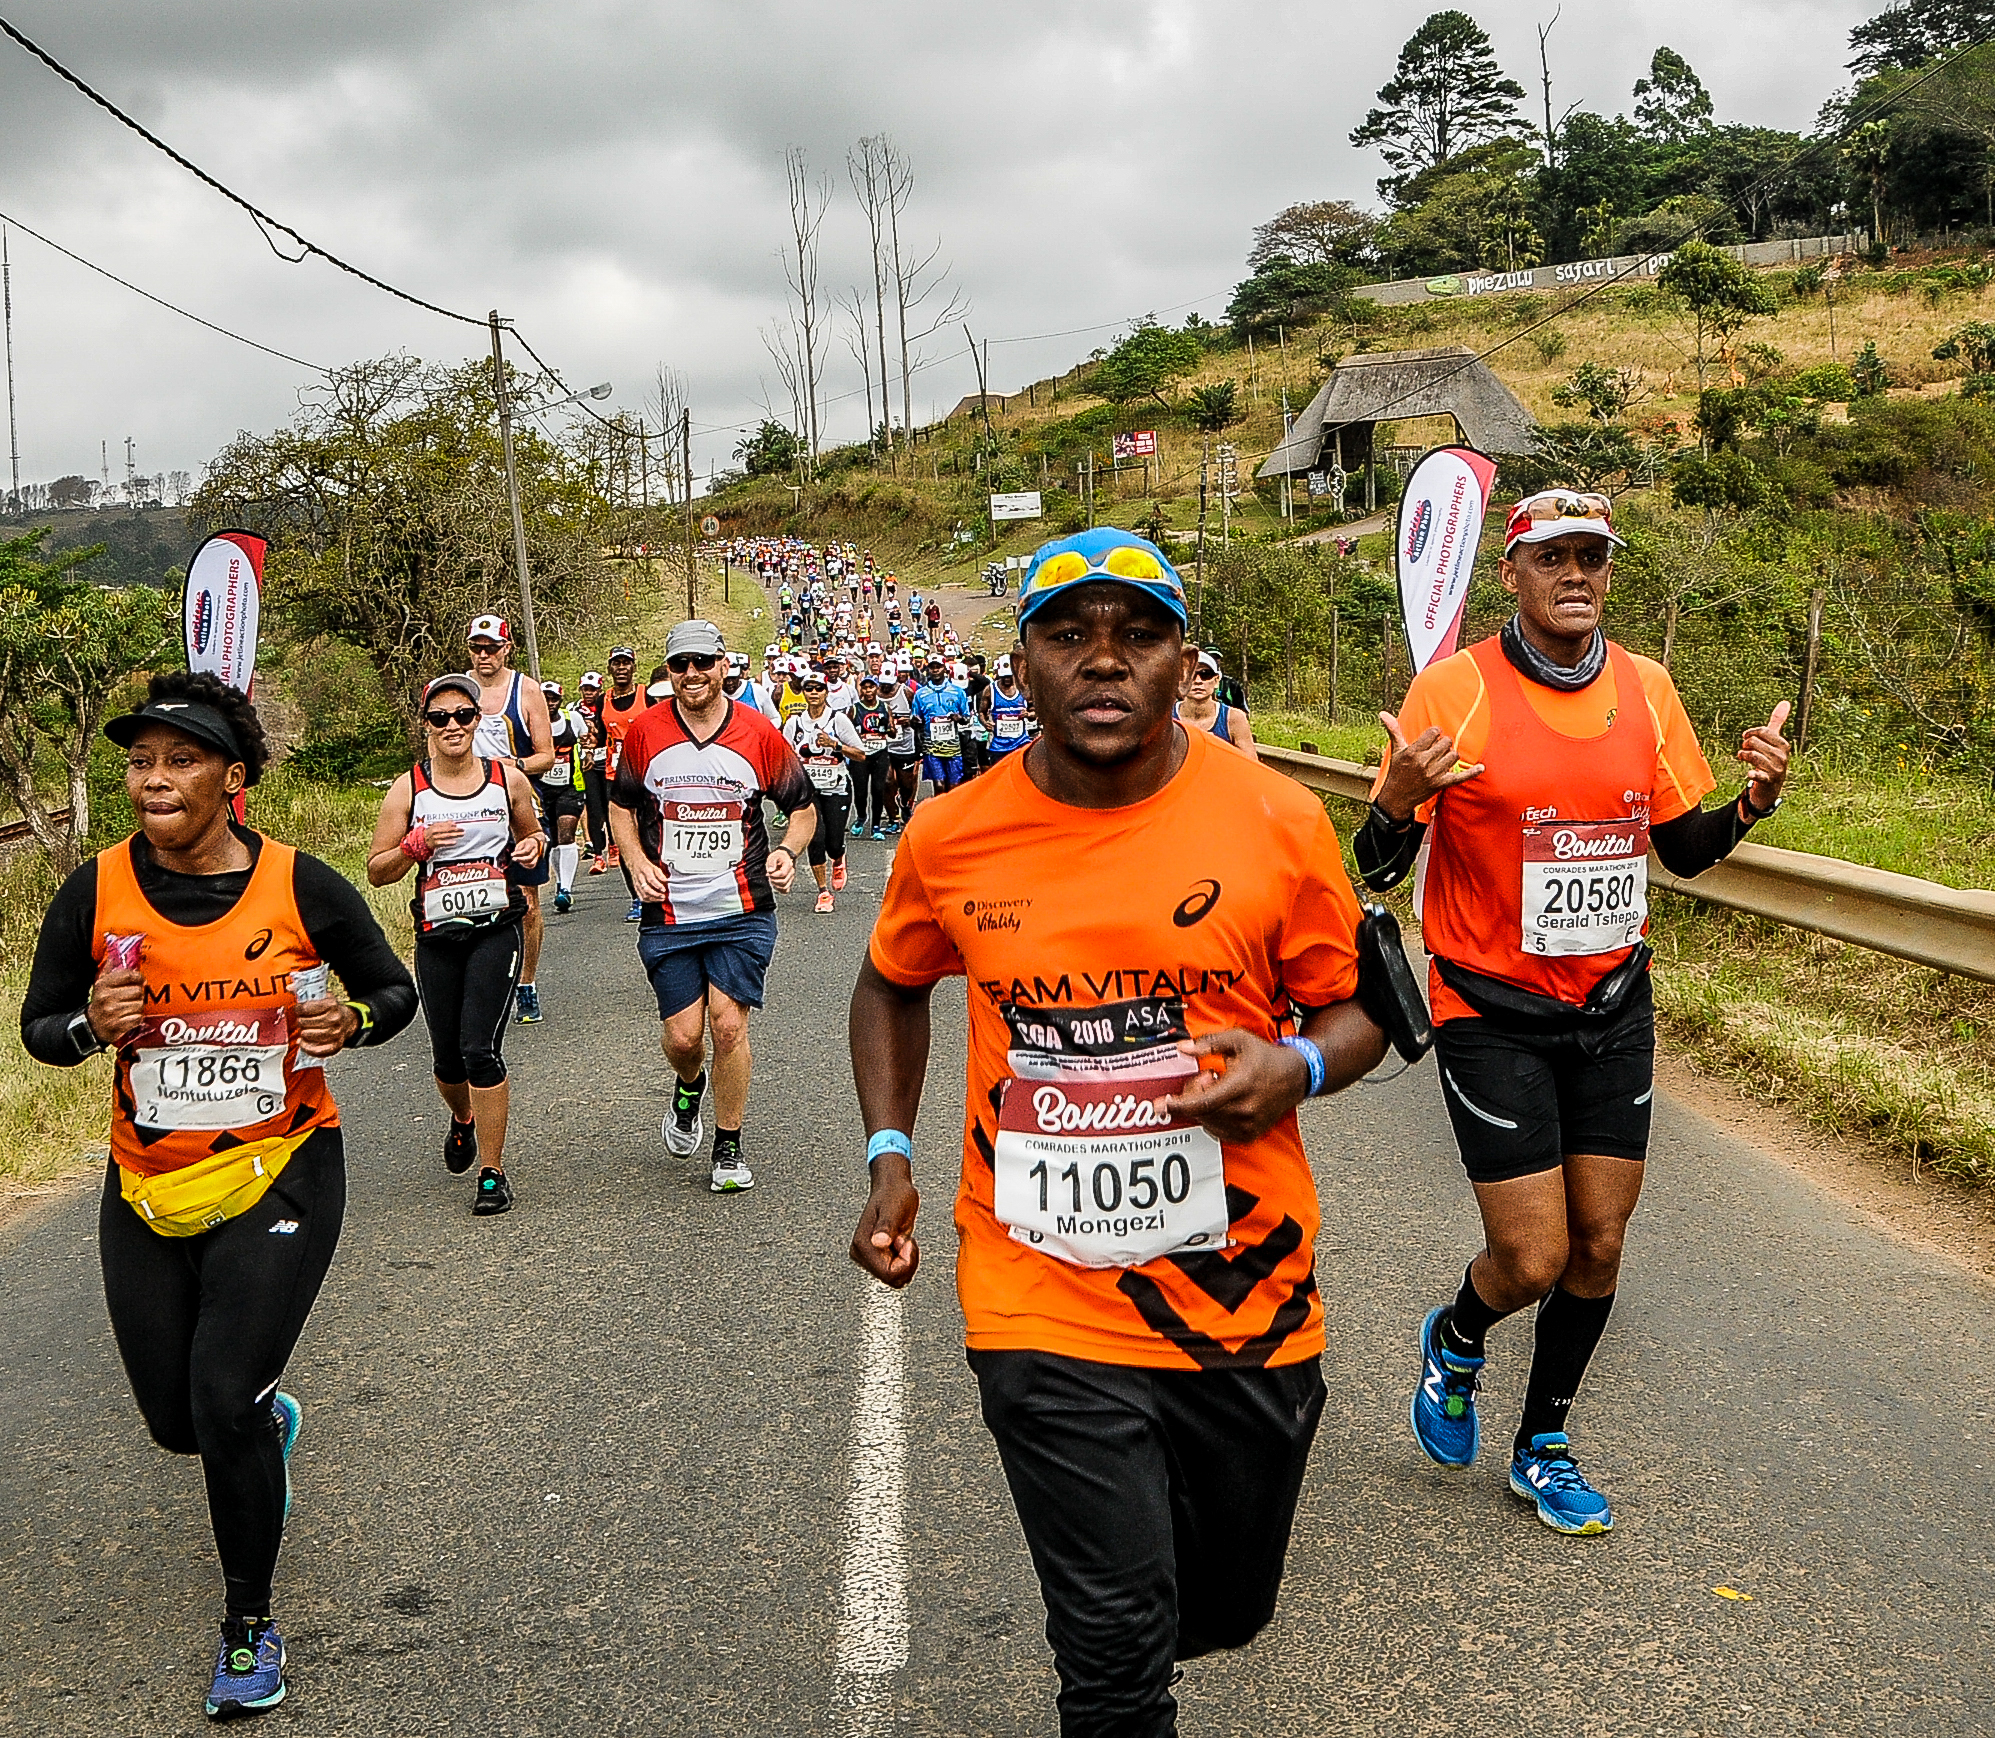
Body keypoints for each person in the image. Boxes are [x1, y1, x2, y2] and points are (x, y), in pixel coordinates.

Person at [848, 528, 1386, 1738]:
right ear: (1021, 667)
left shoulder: (1277, 820)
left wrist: (1293, 1065)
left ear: (1183, 661)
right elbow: (890, 981)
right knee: (1114, 1654)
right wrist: (891, 1154)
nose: (1104, 661)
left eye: (1138, 635)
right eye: (1068, 635)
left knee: (1223, 1609)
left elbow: (1357, 1013)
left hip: (1241, 1292)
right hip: (1037, 1288)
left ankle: (1169, 1607)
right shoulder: (950, 836)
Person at [1354, 488, 1793, 1536]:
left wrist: (1754, 802)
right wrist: (1399, 800)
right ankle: (1459, 1335)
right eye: (1553, 556)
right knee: (1533, 1257)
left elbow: (1681, 850)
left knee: (1600, 1241)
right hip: (1488, 1006)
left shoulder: (1647, 688)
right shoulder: (1454, 691)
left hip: (1611, 1001)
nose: (1577, 574)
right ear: (1511, 574)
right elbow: (1371, 868)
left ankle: (1542, 1443)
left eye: (1593, 555)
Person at [20, 671, 416, 1721]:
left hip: (281, 1166)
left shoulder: (300, 885)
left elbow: (392, 991)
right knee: (173, 1421)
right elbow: (40, 1029)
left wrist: (354, 1027)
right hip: (147, 1180)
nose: (153, 779)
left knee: (219, 1392)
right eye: (140, 761)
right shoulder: (96, 889)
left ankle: (249, 1627)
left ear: (231, 777)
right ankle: (260, 1421)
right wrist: (90, 1028)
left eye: (179, 759)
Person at [609, 620, 816, 1192]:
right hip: (670, 911)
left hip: (742, 907)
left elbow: (802, 808)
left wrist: (788, 850)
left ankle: (728, 1145)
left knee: (727, 1026)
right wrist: (635, 861)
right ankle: (688, 1088)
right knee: (683, 1038)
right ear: (669, 672)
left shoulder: (757, 732)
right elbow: (621, 807)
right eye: (680, 665)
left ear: (724, 666)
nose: (692, 674)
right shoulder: (646, 732)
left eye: (704, 662)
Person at [369, 673, 547, 1218]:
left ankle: (492, 1172)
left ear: (478, 722)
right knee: (447, 1060)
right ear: (425, 725)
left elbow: (533, 839)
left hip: (497, 928)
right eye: (440, 717)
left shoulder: (506, 780)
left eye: (463, 716)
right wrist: (414, 845)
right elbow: (377, 871)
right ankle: (463, 1118)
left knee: (480, 1049)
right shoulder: (410, 789)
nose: (453, 726)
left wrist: (534, 844)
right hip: (437, 935)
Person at [463, 616, 555, 1021]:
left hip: (516, 803)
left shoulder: (526, 691)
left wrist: (510, 764)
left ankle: (526, 984)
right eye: (476, 648)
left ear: (506, 648)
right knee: (473, 898)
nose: (484, 656)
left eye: (491, 647)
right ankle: (479, 981)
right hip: (466, 806)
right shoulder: (455, 689)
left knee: (528, 903)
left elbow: (546, 756)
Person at [783, 671, 869, 912]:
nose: (813, 693)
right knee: (815, 839)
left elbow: (861, 754)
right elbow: (784, 756)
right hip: (807, 793)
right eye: (809, 688)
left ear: (826, 692)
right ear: (803, 692)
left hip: (836, 787)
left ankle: (839, 858)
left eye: (818, 689)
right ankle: (823, 892)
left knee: (833, 841)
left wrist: (835, 745)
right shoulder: (795, 723)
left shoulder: (838, 720)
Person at [597, 645, 652, 916]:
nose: (621, 668)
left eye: (625, 663)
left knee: (650, 835)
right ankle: (637, 897)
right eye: (616, 663)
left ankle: (660, 887)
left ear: (633, 667)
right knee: (623, 838)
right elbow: (596, 736)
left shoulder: (646, 696)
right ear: (610, 668)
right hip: (613, 777)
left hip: (644, 776)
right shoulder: (602, 701)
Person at [538, 680, 588, 913]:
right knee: (553, 840)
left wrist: (587, 753)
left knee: (566, 832)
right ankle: (560, 882)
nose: (549, 703)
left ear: (560, 700)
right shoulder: (533, 723)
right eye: (545, 698)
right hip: (541, 788)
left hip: (570, 786)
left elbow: (589, 738)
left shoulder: (572, 719)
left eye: (553, 699)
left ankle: (566, 890)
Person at [1176, 649, 1259, 761]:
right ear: (1180, 680)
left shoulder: (1233, 718)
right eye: (1191, 675)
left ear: (1216, 681)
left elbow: (1251, 764)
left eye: (1205, 674)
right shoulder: (1165, 717)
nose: (1198, 681)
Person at [911, 653, 973, 797]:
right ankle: (940, 817)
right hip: (932, 747)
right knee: (939, 786)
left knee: (954, 787)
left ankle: (954, 817)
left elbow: (967, 718)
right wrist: (914, 721)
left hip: (953, 747)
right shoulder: (921, 694)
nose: (935, 670)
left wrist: (959, 718)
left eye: (938, 667)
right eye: (932, 667)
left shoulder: (957, 692)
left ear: (944, 669)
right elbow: (915, 718)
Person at [850, 674, 896, 839]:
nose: (868, 691)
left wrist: (887, 728)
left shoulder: (884, 707)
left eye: (871, 687)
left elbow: (893, 732)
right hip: (861, 755)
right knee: (861, 791)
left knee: (878, 789)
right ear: (861, 689)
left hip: (880, 753)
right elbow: (846, 732)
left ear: (877, 688)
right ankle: (861, 816)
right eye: (865, 687)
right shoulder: (855, 708)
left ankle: (876, 826)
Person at [879, 660, 921, 833]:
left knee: (906, 784)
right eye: (883, 684)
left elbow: (919, 716)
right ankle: (892, 819)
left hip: (905, 745)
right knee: (887, 781)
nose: (886, 687)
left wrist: (909, 720)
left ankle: (903, 802)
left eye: (889, 684)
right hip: (883, 745)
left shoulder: (907, 692)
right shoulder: (874, 694)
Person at [577, 671, 612, 865]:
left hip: (607, 760)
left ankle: (614, 846)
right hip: (587, 761)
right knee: (593, 807)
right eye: (585, 689)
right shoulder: (575, 709)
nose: (588, 693)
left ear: (600, 689)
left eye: (592, 689)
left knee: (610, 805)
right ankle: (598, 852)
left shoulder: (606, 705)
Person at [986, 652, 1031, 759]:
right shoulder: (990, 690)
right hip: (998, 746)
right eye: (1004, 676)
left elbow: (1036, 712)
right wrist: (985, 723)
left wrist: (1028, 714)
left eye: (1009, 676)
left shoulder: (1024, 689)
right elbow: (982, 712)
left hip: (1020, 742)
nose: (1007, 679)